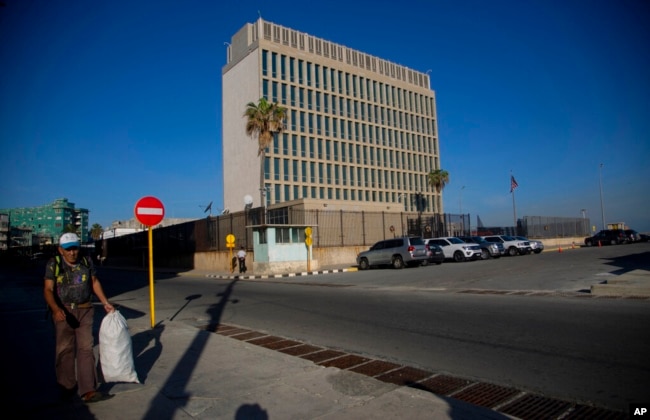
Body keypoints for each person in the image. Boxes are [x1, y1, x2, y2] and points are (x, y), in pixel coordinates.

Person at [43, 233, 115, 403]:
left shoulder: (86, 261)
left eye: (75, 248)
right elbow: (47, 289)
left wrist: (105, 302)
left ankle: (88, 390)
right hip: (64, 312)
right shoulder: (54, 264)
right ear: (61, 250)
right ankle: (66, 386)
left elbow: (94, 282)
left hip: (85, 309)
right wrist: (55, 309)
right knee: (65, 349)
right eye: (68, 249)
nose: (73, 252)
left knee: (86, 349)